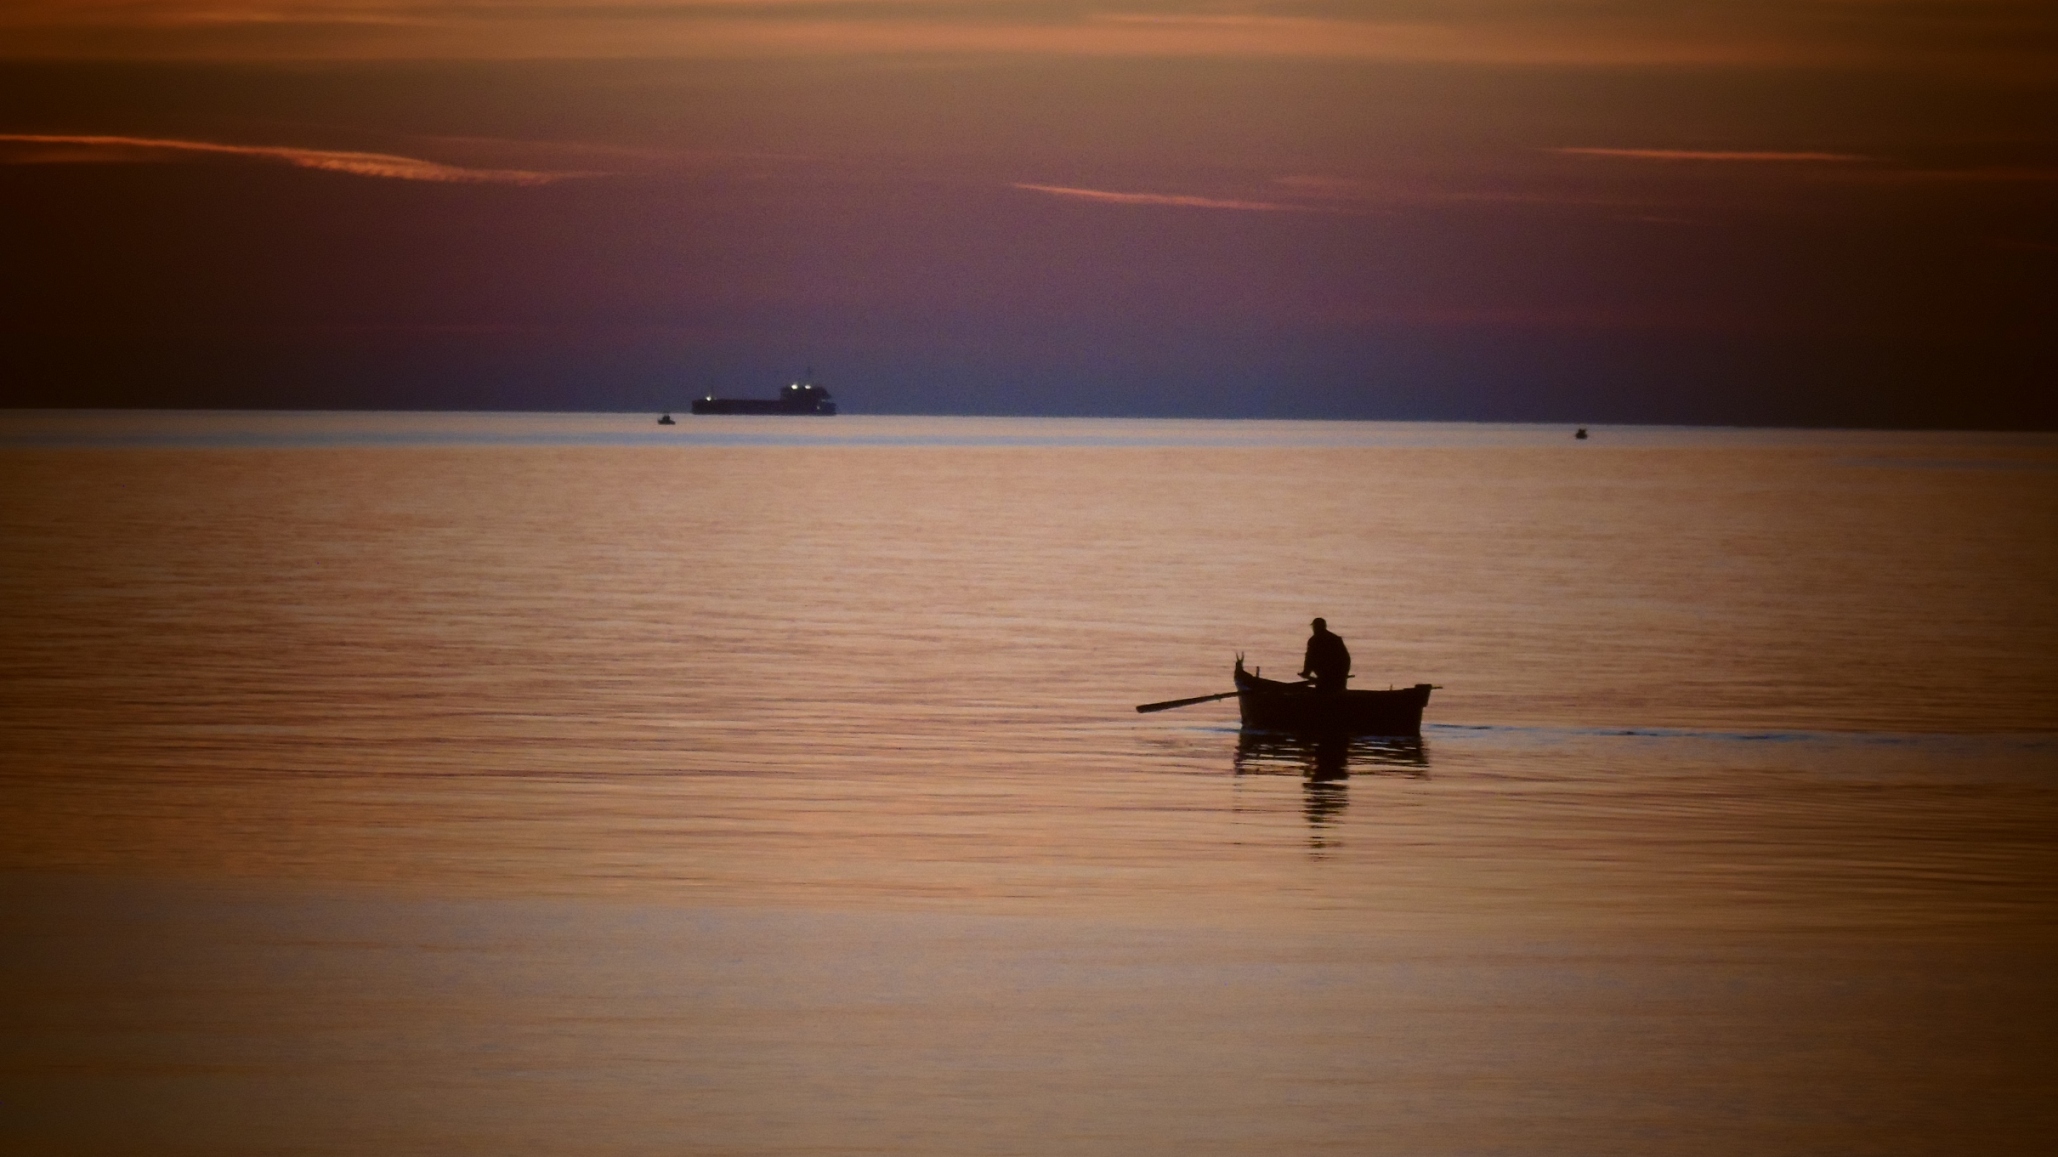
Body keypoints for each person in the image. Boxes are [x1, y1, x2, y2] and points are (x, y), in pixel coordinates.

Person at [1299, 617, 1351, 693]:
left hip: (1325, 677)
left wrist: (1306, 673)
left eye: (1314, 627)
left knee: (1323, 695)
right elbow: (1346, 659)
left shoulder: (1314, 641)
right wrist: (1343, 674)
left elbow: (1310, 659)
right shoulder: (1335, 639)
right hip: (1338, 676)